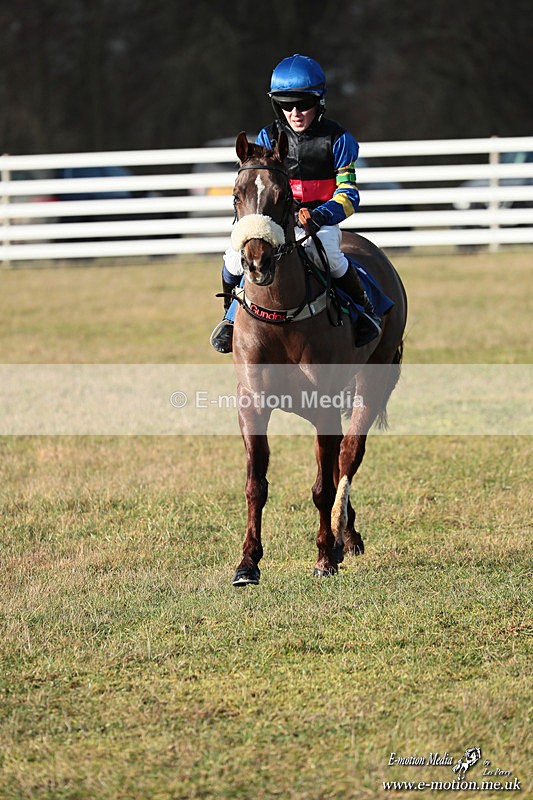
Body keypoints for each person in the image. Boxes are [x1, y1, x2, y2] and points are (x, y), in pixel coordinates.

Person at [210, 53, 382, 354]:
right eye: (286, 105)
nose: (295, 112)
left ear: (319, 102)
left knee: (331, 257)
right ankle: (229, 318)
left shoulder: (339, 140)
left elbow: (349, 195)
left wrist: (319, 215)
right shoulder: (268, 135)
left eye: (303, 104)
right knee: (231, 260)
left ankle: (363, 312)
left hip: (318, 223)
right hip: (276, 222)